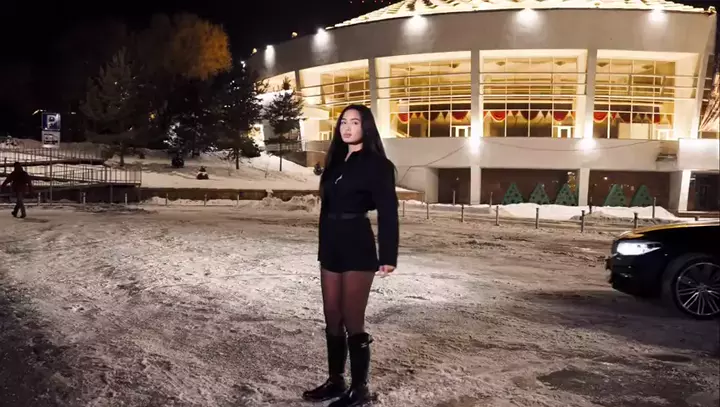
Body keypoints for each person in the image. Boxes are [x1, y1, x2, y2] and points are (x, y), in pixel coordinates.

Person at [302, 104, 399, 407]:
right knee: (332, 314)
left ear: (365, 127)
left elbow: (388, 211)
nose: (347, 127)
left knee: (352, 317)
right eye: (344, 122)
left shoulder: (378, 165)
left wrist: (388, 255)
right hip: (332, 244)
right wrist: (323, 247)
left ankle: (360, 390)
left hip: (358, 242)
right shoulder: (334, 161)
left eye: (354, 122)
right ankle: (336, 381)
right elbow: (326, 209)